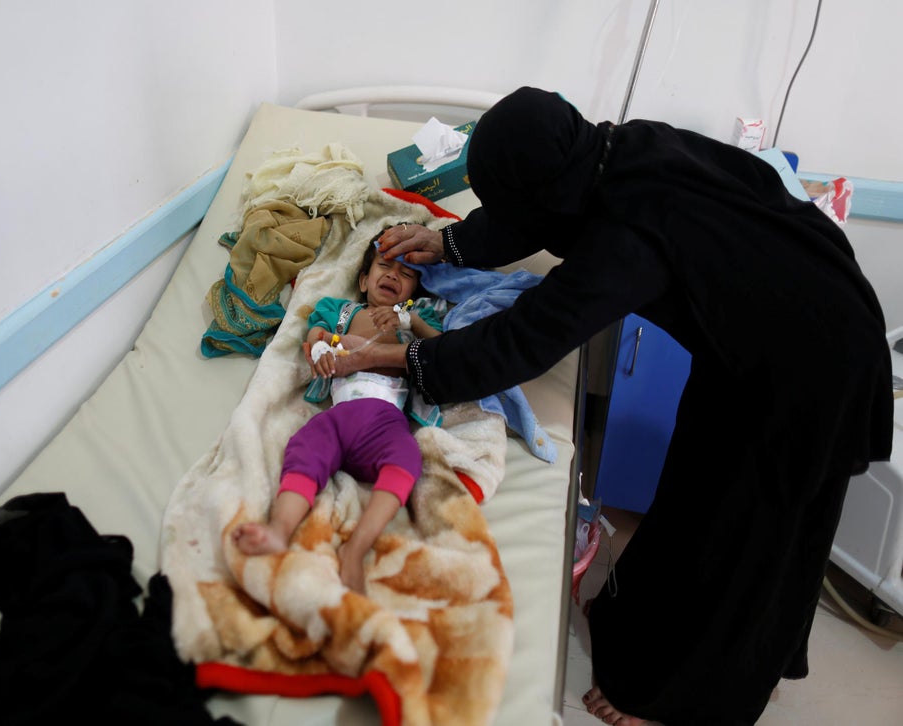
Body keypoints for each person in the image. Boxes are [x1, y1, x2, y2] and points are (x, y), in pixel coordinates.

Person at [329, 87, 894, 724]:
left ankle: (679, 701)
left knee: (744, 539)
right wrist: (451, 243)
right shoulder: (617, 150)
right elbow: (532, 209)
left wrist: (407, 360)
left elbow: (523, 339)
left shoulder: (625, 242)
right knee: (692, 493)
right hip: (762, 334)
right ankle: (640, 633)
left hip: (810, 367)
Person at [232, 229, 442, 594]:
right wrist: (319, 349)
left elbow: (443, 350)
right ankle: (280, 529)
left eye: (406, 274)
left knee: (408, 457)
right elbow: (313, 336)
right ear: (363, 280)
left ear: (414, 292)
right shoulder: (339, 310)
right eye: (384, 266)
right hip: (337, 417)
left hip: (385, 420)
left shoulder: (414, 318)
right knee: (304, 446)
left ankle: (356, 548)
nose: (393, 275)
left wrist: (408, 322)